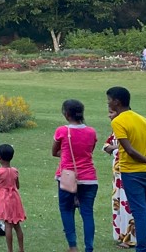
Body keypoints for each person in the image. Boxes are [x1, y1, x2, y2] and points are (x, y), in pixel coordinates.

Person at [106, 86, 146, 252]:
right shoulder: (142, 119)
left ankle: (142, 248)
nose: (108, 103)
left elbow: (129, 150)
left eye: (109, 100)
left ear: (117, 102)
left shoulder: (118, 121)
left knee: (140, 213)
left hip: (131, 173)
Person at [53, 99, 99, 252]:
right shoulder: (91, 132)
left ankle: (72, 246)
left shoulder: (62, 131)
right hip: (89, 178)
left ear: (66, 114)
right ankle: (89, 247)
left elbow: (54, 152)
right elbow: (89, 151)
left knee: (66, 209)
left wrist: (65, 154)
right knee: (87, 213)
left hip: (67, 176)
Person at [0, 144, 27, 252]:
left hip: (4, 199)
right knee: (17, 225)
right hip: (15, 199)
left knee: (8, 225)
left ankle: (10, 250)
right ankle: (21, 249)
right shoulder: (15, 171)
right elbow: (17, 186)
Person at [104, 124, 137, 249]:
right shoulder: (115, 128)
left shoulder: (127, 126)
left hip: (128, 170)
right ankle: (122, 234)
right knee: (118, 203)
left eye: (111, 111)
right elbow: (106, 146)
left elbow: (129, 147)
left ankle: (132, 238)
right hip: (117, 173)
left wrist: (115, 148)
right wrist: (115, 147)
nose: (109, 115)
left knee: (128, 204)